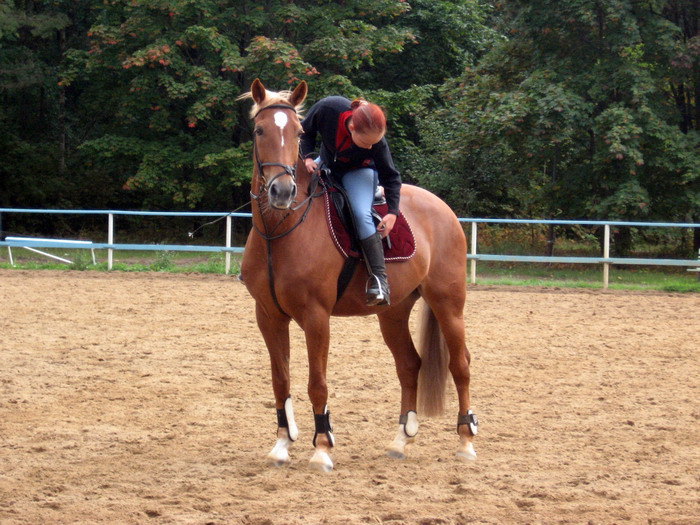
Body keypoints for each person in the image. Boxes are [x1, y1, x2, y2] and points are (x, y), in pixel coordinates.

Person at [300, 96, 401, 306]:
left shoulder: (376, 143)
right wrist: (308, 157)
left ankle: (380, 281)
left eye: (374, 143)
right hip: (324, 162)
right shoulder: (327, 108)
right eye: (366, 143)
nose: (370, 147)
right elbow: (305, 131)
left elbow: (391, 176)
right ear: (352, 127)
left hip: (359, 172)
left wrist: (392, 213)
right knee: (287, 184)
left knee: (360, 214)